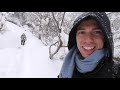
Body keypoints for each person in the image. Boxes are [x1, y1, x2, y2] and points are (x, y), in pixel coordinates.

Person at [58, 12, 120, 78]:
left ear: (105, 38)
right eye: (82, 32)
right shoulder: (66, 71)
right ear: (75, 38)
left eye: (96, 32)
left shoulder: (116, 73)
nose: (88, 40)